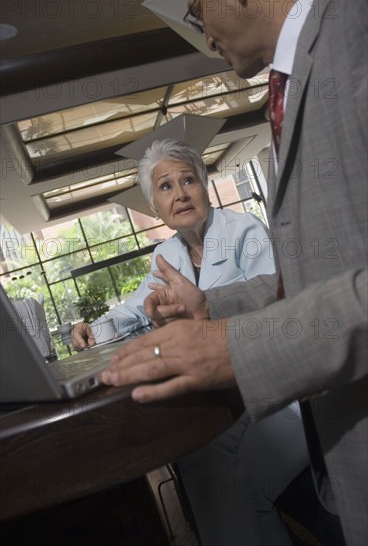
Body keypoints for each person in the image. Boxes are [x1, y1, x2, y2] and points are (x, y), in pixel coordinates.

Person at [100, 0, 368, 545]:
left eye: (197, 12)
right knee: (205, 465)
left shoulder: (355, 28)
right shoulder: (292, 85)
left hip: (301, 396)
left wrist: (233, 344)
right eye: (166, 189)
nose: (204, 36)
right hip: (339, 430)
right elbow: (310, 274)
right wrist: (210, 308)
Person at [73, 139, 309, 545]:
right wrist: (95, 326)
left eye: (188, 180)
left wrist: (207, 311)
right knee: (199, 458)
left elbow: (277, 305)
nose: (180, 193)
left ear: (203, 185)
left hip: (281, 390)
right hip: (229, 396)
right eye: (166, 187)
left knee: (237, 484)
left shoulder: (244, 231)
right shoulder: (166, 254)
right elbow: (134, 307)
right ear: (155, 207)